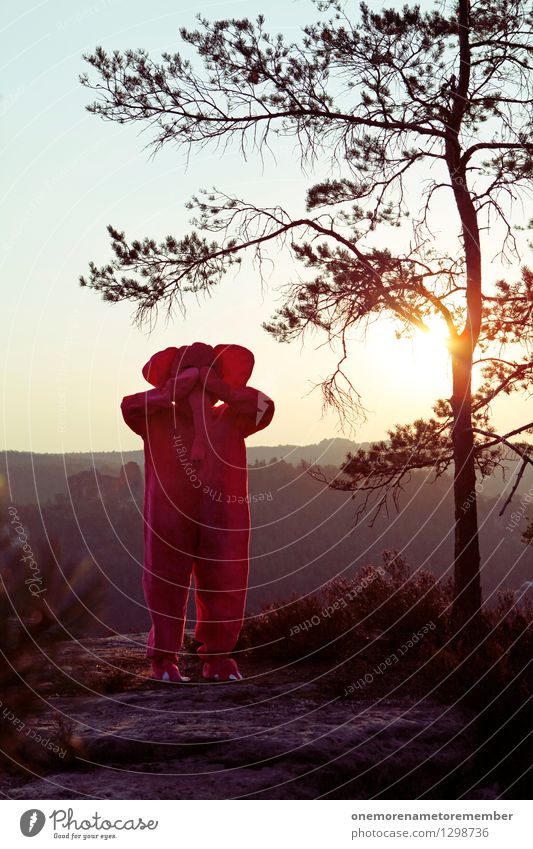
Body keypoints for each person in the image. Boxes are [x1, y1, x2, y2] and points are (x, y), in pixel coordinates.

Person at [120, 342, 275, 682]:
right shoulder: (157, 416)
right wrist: (172, 391)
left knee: (225, 580)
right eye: (188, 373)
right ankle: (163, 660)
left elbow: (264, 407)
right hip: (169, 512)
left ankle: (219, 659)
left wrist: (221, 390)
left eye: (207, 374)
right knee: (164, 580)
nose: (198, 383)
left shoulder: (231, 416)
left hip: (222, 513)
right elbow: (130, 407)